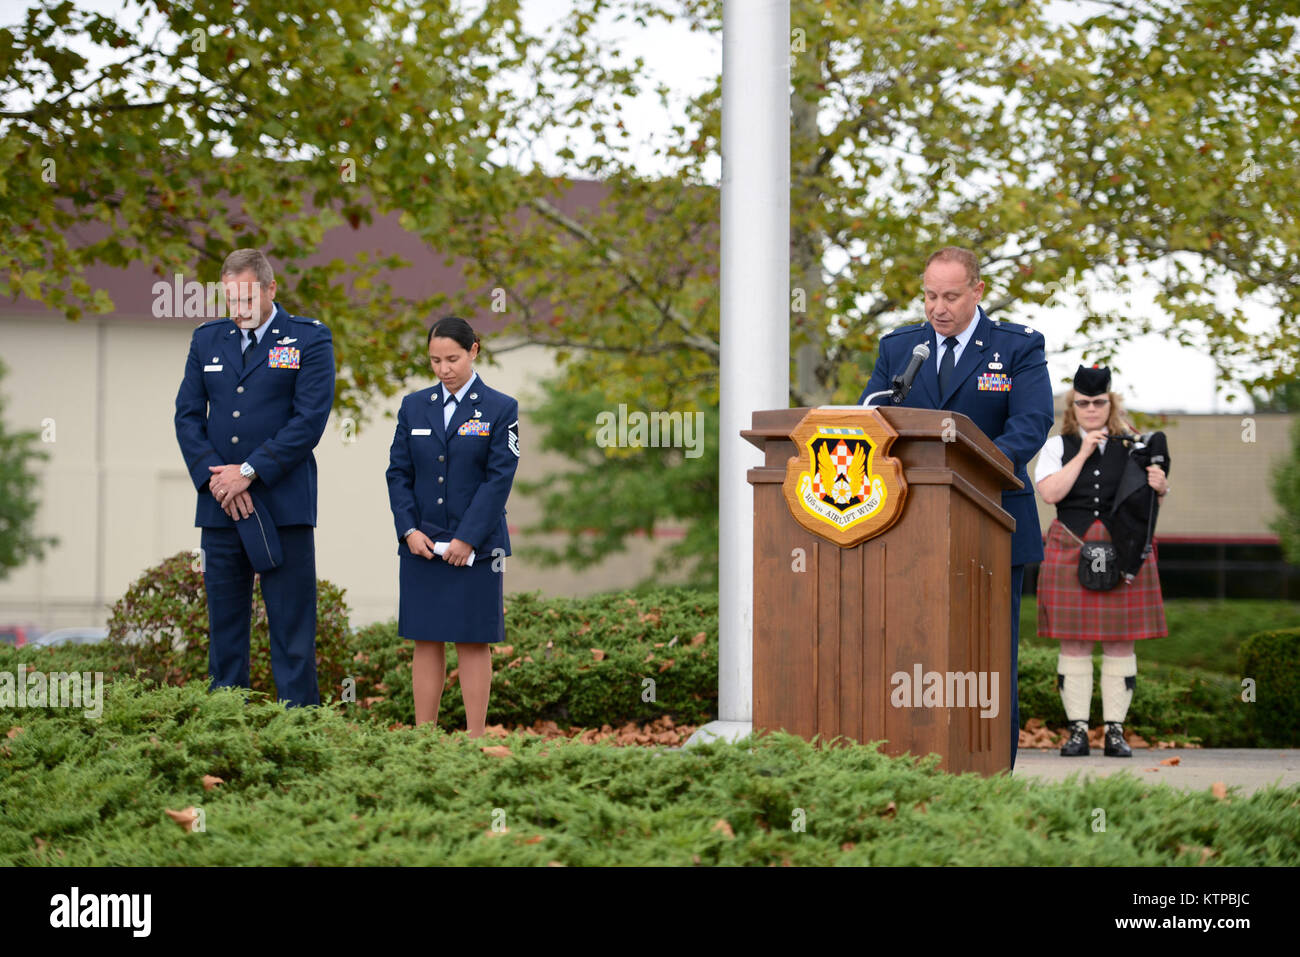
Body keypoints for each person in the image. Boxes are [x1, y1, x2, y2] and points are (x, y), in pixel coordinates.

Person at [858, 246, 1054, 769]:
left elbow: (1031, 425)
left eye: (949, 296)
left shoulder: (1017, 348)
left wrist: (974, 469)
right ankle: (911, 763)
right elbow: (869, 421)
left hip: (991, 522)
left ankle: (991, 769)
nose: (937, 307)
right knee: (909, 651)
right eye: (929, 295)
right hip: (906, 525)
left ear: (977, 291)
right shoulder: (901, 348)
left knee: (987, 655)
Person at [174, 248, 335, 707]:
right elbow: (187, 417)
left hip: (282, 508)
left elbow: (308, 422)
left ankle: (300, 732)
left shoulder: (309, 339)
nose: (239, 309)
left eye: (247, 298)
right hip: (220, 507)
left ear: (270, 289)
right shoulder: (207, 340)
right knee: (224, 634)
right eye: (231, 299)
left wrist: (247, 472)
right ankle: (227, 730)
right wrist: (217, 483)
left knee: (291, 632)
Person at [385, 316, 521, 737]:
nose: (444, 369)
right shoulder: (413, 407)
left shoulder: (501, 408)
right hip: (422, 542)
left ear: (474, 350)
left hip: (477, 548)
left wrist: (467, 538)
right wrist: (409, 530)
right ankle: (425, 738)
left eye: (452, 359)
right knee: (426, 638)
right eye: (435, 361)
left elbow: (499, 479)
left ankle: (475, 741)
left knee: (472, 639)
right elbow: (398, 473)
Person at [1033, 365, 1170, 757]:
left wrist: (1162, 488)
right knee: (1074, 644)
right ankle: (1077, 731)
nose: (1091, 409)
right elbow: (1050, 493)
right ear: (1072, 407)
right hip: (1071, 543)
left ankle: (1115, 732)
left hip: (1122, 547)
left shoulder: (1135, 447)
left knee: (1120, 643)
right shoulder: (1057, 447)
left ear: (1109, 404)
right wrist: (1086, 450)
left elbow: (1147, 504)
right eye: (1083, 403)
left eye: (1098, 402)